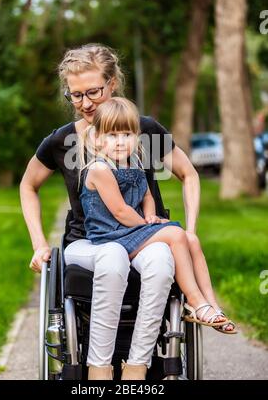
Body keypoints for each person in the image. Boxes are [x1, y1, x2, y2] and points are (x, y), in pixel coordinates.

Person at [20, 43, 236, 382]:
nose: (85, 103)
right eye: (75, 96)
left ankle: (139, 367)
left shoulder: (142, 129)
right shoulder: (62, 141)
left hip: (146, 238)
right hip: (91, 241)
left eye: (92, 91)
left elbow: (189, 174)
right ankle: (98, 370)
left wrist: (190, 229)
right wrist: (38, 243)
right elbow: (27, 186)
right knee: (111, 259)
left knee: (163, 261)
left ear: (112, 84)